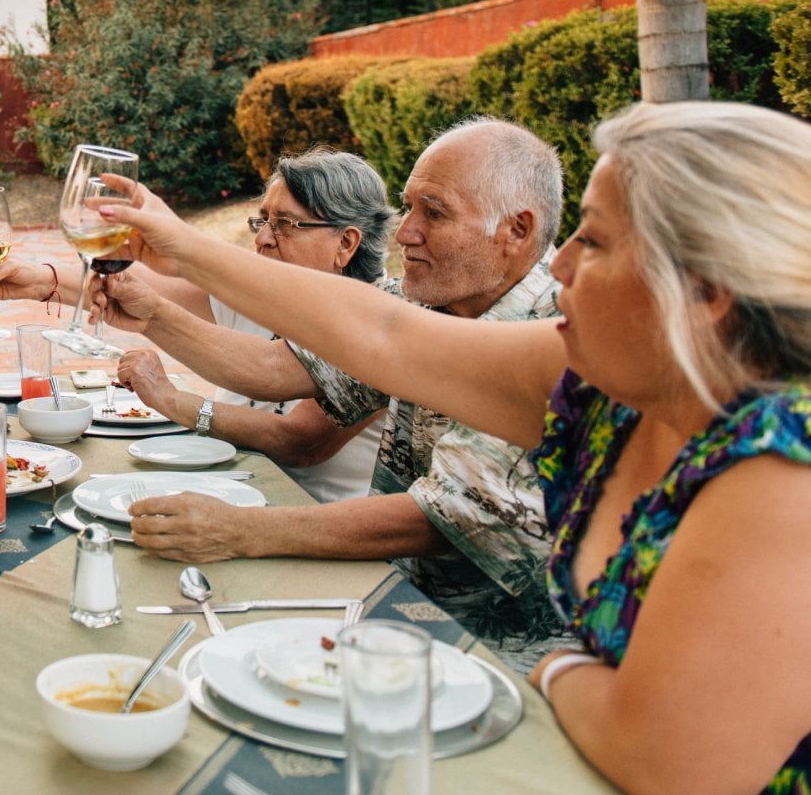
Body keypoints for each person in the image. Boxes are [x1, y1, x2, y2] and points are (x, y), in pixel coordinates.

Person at [100, 101, 811, 793]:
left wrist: (545, 666)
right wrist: (182, 246)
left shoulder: (776, 464)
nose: (559, 264)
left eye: (591, 241)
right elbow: (384, 336)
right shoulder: (601, 381)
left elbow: (670, 761)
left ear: (706, 291)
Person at [101, 119, 573, 667]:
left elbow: (439, 518)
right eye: (409, 207)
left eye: (434, 212)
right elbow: (276, 367)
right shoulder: (430, 299)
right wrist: (155, 309)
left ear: (517, 230)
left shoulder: (556, 334)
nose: (403, 233)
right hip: (389, 601)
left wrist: (240, 530)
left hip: (503, 656)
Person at [0, 149, 391, 503]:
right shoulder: (262, 292)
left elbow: (298, 442)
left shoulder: (378, 324)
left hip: (309, 523)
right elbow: (137, 288)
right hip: (223, 489)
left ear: (346, 243)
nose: (263, 238)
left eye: (285, 224)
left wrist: (173, 400)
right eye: (261, 220)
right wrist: (42, 279)